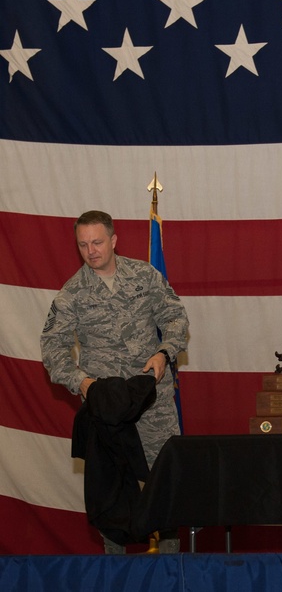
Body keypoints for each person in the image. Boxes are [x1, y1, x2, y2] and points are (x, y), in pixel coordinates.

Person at [40, 210, 188, 554]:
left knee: (165, 485)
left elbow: (175, 316)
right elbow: (53, 348)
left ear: (113, 240)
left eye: (97, 242)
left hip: (152, 401)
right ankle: (116, 575)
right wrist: (82, 383)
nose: (91, 251)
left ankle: (170, 569)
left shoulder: (143, 275)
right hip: (106, 408)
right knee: (111, 493)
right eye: (83, 244)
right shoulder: (71, 294)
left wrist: (165, 353)